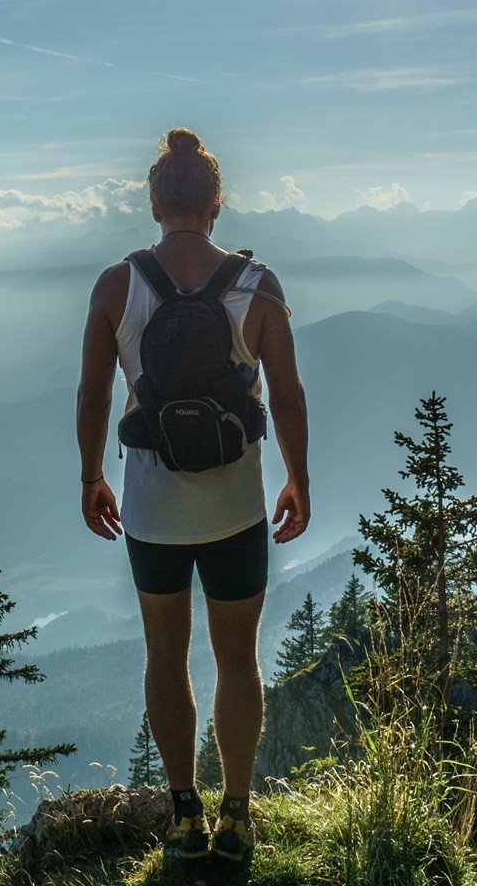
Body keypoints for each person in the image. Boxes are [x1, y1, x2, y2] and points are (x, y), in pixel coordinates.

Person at [77, 128, 310, 864]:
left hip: (152, 509)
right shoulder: (259, 285)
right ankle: (237, 816)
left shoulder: (119, 286)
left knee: (164, 655)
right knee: (238, 659)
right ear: (216, 203)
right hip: (236, 505)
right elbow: (289, 393)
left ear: (154, 203)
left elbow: (93, 390)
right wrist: (299, 478)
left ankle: (183, 817)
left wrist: (91, 476)